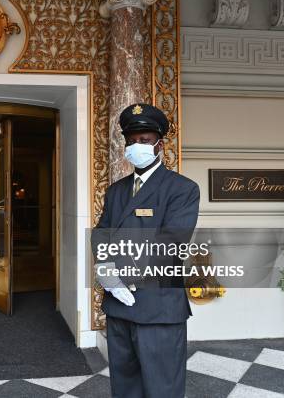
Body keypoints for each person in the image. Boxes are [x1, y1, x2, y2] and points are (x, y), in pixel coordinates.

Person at [93, 103, 200, 398]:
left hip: (158, 306)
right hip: (119, 303)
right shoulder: (116, 190)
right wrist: (106, 272)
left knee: (162, 387)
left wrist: (123, 273)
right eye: (131, 140)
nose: (136, 146)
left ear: (159, 145)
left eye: (144, 140)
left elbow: (171, 242)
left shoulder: (182, 188)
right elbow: (102, 233)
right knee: (125, 384)